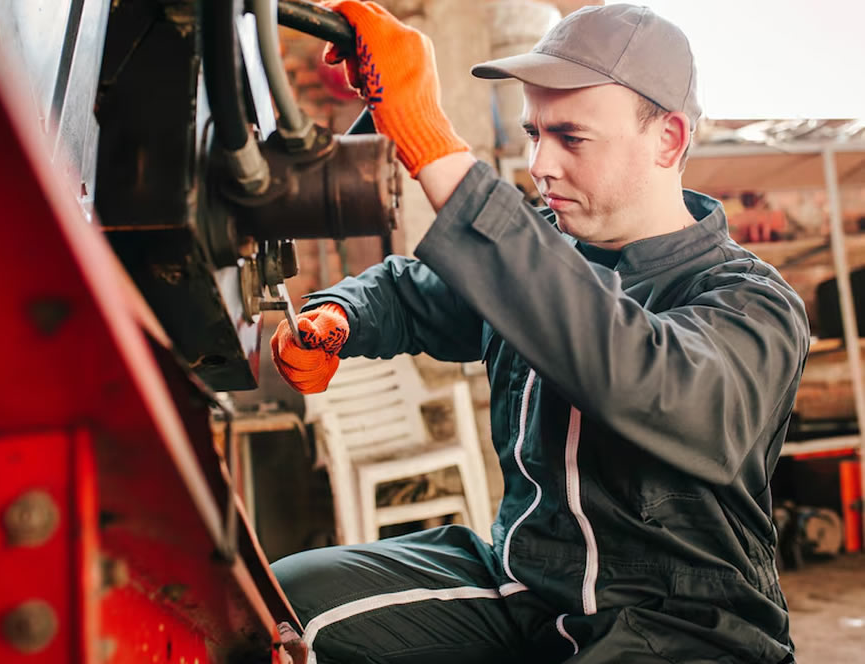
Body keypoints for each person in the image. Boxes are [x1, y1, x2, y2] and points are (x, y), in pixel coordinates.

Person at [269, 3, 809, 663]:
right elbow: (414, 291)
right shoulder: (543, 253)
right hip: (522, 583)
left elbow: (635, 373)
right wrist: (341, 316)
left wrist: (433, 144)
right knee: (276, 608)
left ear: (669, 139)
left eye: (571, 138)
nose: (539, 166)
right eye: (534, 133)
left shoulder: (754, 306)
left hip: (679, 627)